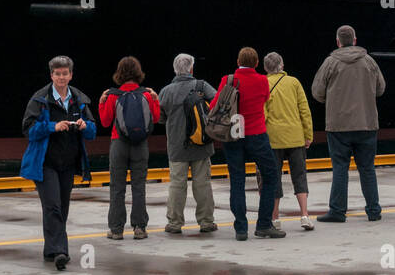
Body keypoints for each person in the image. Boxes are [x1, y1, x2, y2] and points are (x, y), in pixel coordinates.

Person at [21, 56, 96, 271]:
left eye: (65, 73)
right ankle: (61, 252)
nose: (61, 77)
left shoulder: (79, 100)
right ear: (51, 75)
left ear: (71, 75)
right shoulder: (39, 99)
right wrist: (52, 127)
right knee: (52, 205)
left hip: (68, 162)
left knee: (61, 207)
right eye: (57, 73)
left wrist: (83, 126)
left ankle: (50, 249)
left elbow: (92, 131)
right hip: (45, 162)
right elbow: (28, 130)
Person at [312, 25, 386, 223]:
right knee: (367, 168)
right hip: (367, 123)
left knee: (340, 168)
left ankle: (337, 211)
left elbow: (317, 93)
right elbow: (380, 89)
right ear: (354, 40)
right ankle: (373, 210)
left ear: (338, 42)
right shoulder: (369, 61)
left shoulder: (330, 63)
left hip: (339, 126)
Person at [211, 47, 284, 240]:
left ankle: (241, 229)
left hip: (234, 134)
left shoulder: (228, 80)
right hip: (257, 134)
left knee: (237, 180)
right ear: (257, 63)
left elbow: (214, 106)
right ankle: (263, 225)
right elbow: (266, 99)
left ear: (237, 61)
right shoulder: (262, 80)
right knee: (270, 176)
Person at [98, 56, 160, 240]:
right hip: (140, 144)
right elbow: (155, 119)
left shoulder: (113, 96)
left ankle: (116, 229)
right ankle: (140, 228)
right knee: (139, 186)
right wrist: (155, 99)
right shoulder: (147, 94)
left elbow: (105, 121)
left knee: (117, 187)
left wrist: (102, 102)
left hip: (119, 143)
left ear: (119, 73)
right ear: (138, 73)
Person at [156, 53, 217, 235]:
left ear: (175, 70)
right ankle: (206, 222)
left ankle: (174, 223)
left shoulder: (166, 91)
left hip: (176, 146)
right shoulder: (202, 86)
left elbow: (160, 117)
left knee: (177, 184)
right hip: (201, 144)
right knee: (203, 184)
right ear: (191, 69)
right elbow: (217, 104)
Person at [260, 52, 315, 231]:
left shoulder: (264, 84)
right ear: (282, 66)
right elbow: (304, 110)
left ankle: (275, 218)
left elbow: (264, 112)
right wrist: (308, 135)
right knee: (299, 176)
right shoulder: (294, 82)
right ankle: (305, 215)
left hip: (273, 139)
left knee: (273, 178)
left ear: (266, 68)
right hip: (295, 137)